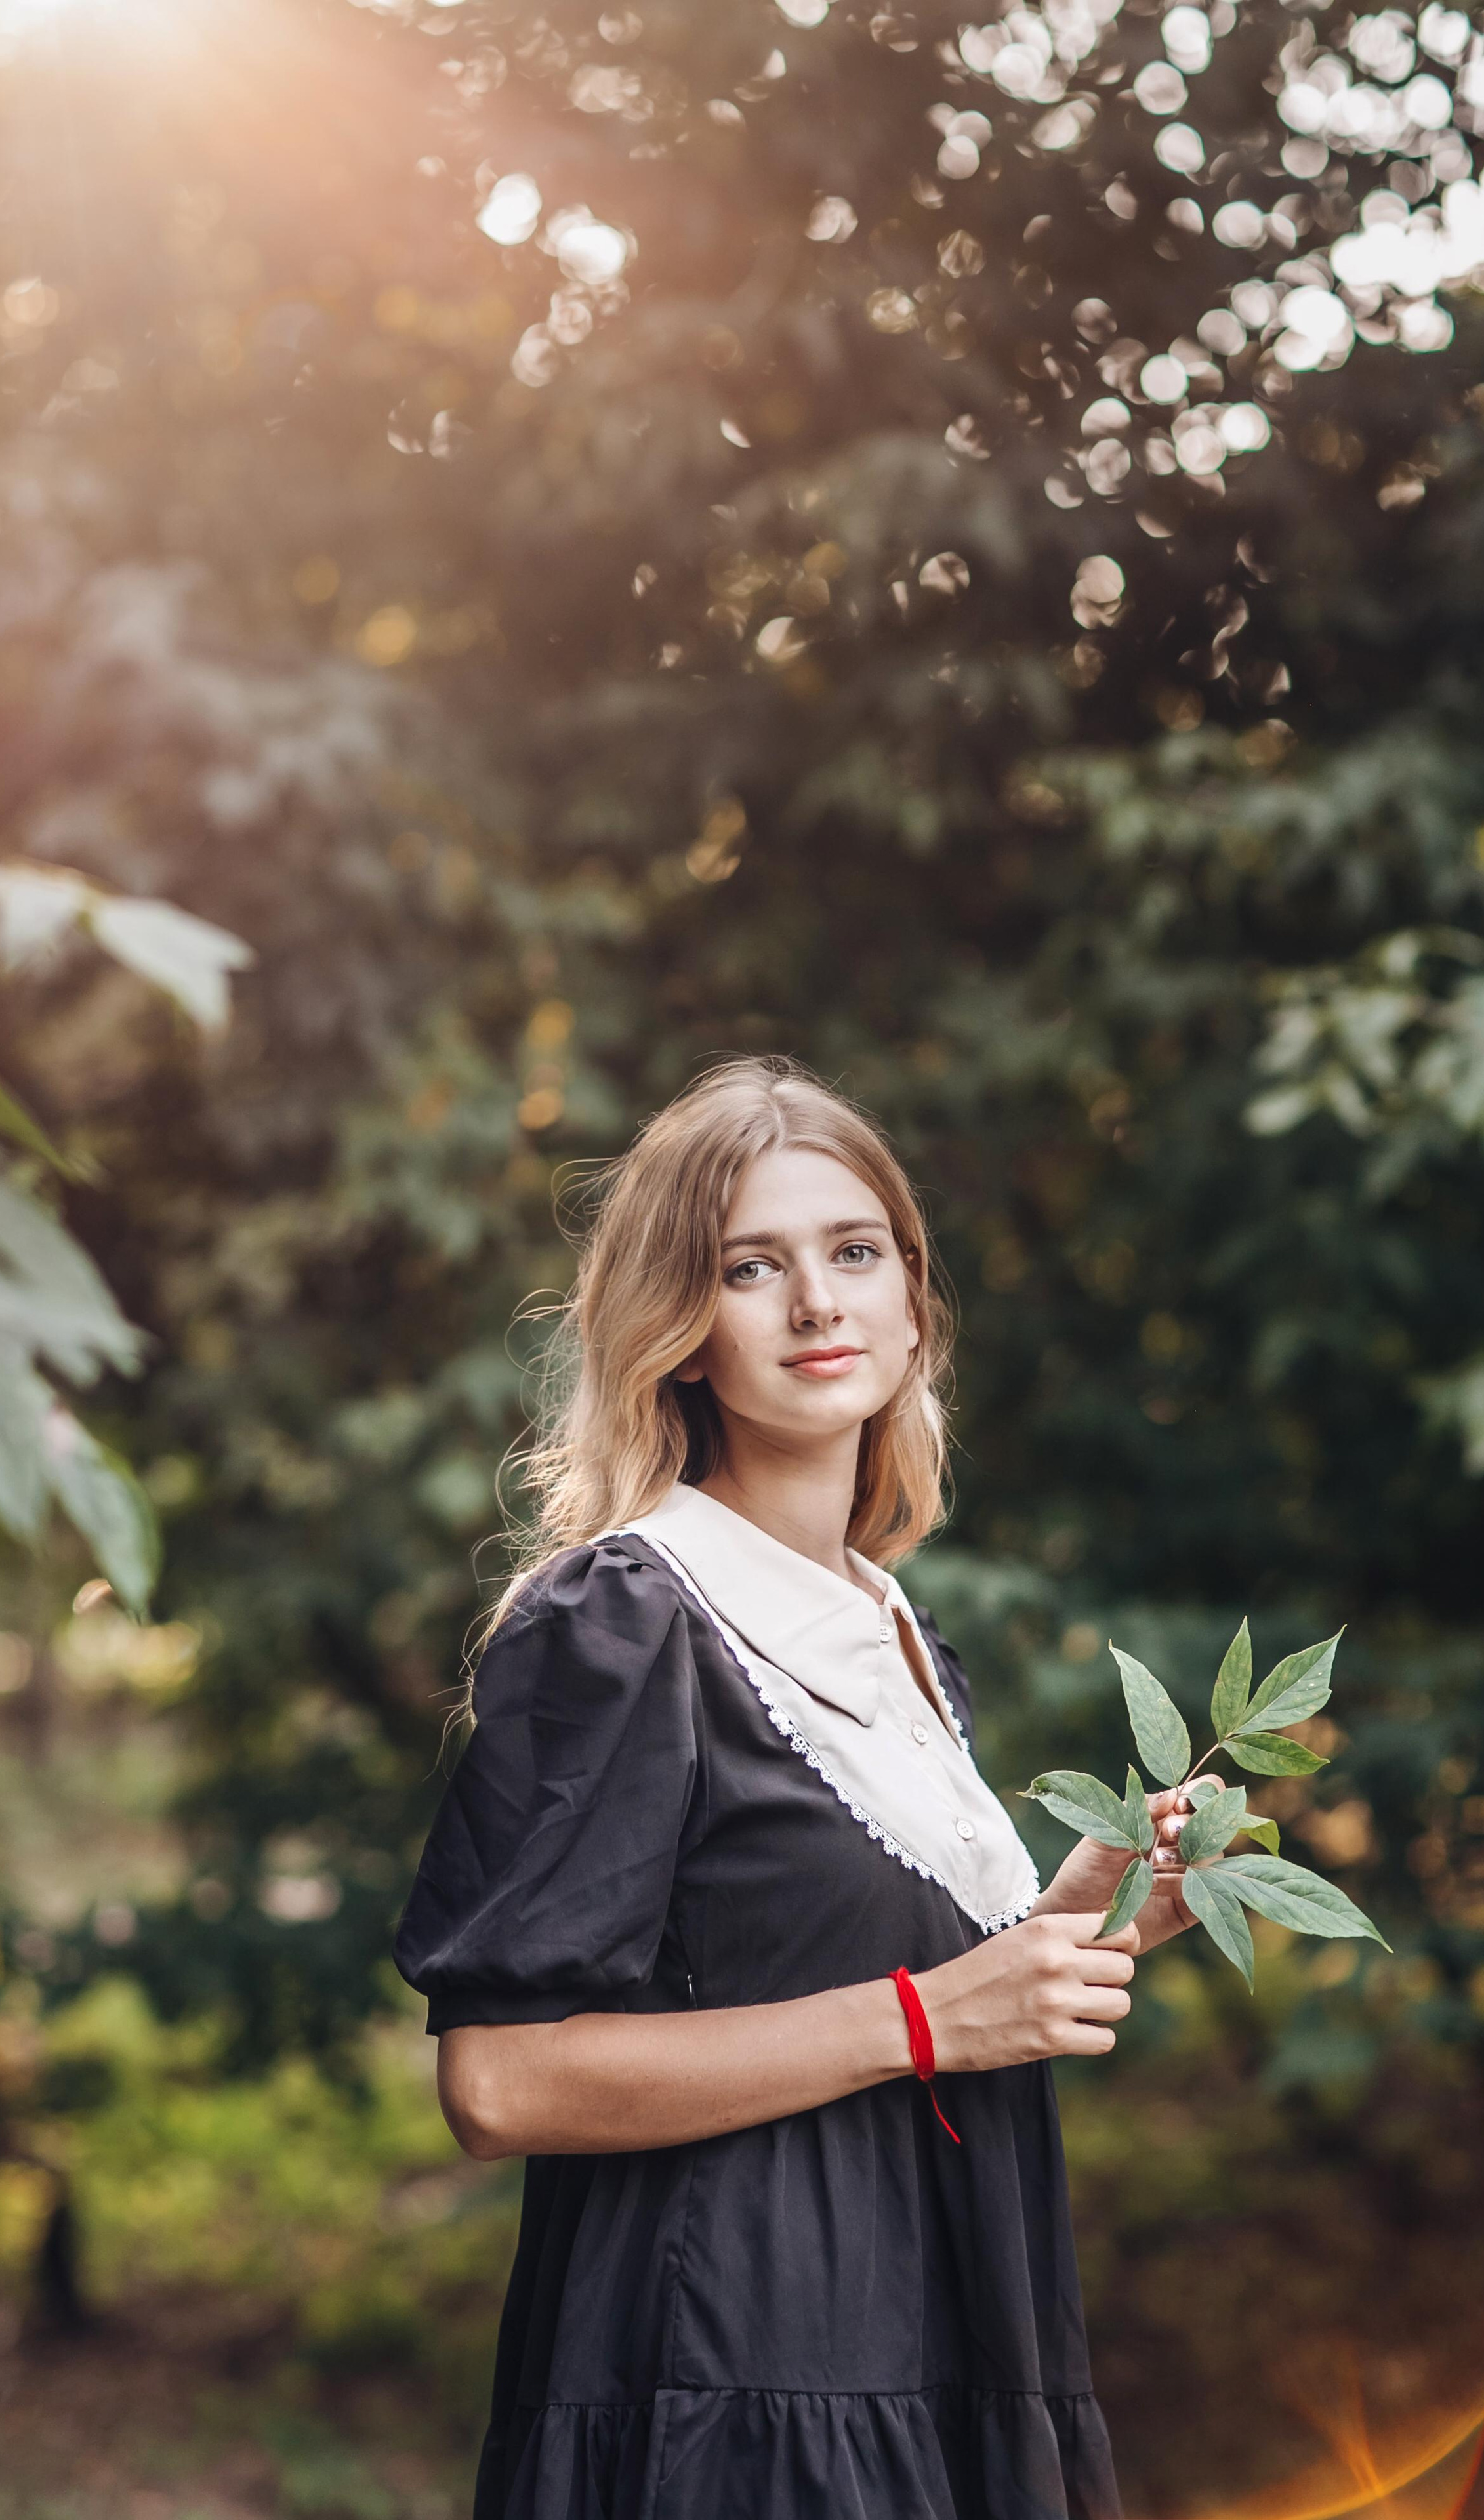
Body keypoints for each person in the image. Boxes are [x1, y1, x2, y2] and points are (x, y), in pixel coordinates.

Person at [394, 1057, 1193, 2520]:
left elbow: (870, 1988)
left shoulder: (891, 1623)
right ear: (682, 1333)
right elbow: (496, 2082)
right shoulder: (623, 1619)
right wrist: (926, 2014)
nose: (816, 1304)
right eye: (750, 1268)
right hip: (739, 2395)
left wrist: (1071, 1937)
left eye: (852, 1253)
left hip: (944, 2345)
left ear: (908, 1304)